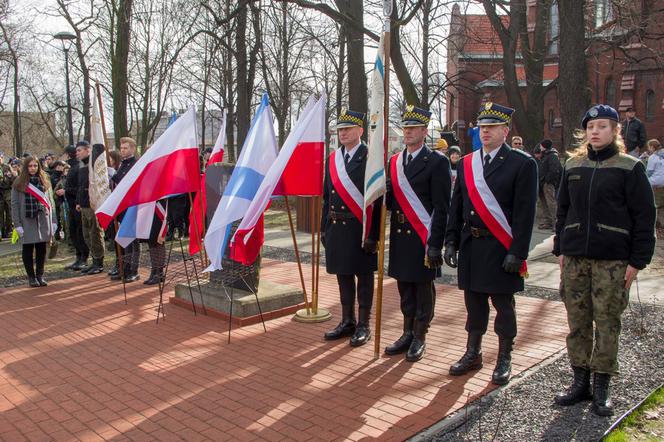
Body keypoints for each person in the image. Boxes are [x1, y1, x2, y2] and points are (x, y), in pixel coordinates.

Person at [553, 104, 656, 416]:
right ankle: (580, 381)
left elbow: (644, 216)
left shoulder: (629, 167)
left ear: (615, 131)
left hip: (612, 261)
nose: (595, 132)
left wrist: (637, 261)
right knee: (578, 321)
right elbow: (562, 211)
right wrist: (561, 248)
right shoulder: (573, 165)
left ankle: (601, 386)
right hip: (575, 258)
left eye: (601, 126)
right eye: (590, 127)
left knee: (608, 321)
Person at [444, 102, 538, 385]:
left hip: (500, 248)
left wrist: (517, 252)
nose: (485, 132)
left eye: (492, 127)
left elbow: (525, 214)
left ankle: (504, 358)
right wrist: (450, 241)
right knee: (474, 304)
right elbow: (456, 206)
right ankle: (473, 352)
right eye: (482, 127)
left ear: (505, 131)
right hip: (472, 246)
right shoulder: (467, 163)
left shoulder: (522, 164)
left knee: (503, 306)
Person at [384, 105, 451, 362]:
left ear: (425, 131)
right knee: (404, 287)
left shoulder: (437, 162)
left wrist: (436, 244)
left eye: (414, 127)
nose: (409, 131)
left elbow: (442, 208)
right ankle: (407, 332)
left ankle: (421, 335)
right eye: (406, 127)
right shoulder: (395, 162)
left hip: (423, 237)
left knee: (423, 288)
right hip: (400, 235)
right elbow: (392, 202)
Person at [321, 110, 381, 347]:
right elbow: (327, 197)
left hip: (360, 228)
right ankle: (347, 320)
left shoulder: (371, 157)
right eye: (340, 129)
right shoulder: (333, 159)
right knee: (343, 276)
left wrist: (373, 234)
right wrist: (324, 228)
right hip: (336, 226)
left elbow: (376, 201)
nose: (342, 133)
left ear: (360, 131)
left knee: (363, 277)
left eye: (347, 129)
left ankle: (364, 324)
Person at [10, 156, 56, 287]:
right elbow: (14, 205)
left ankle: (40, 275)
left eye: (35, 166)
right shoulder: (19, 182)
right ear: (26, 167)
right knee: (28, 248)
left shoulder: (44, 181)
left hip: (43, 219)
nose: (33, 168)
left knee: (42, 248)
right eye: (30, 166)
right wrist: (17, 224)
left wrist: (53, 221)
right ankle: (31, 277)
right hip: (27, 220)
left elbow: (50, 202)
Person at [110, 138, 140, 282]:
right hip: (121, 206)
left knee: (132, 240)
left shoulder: (135, 164)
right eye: (121, 148)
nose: (122, 150)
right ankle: (125, 268)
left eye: (126, 148)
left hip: (131, 206)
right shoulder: (122, 164)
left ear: (133, 148)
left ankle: (133, 270)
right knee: (123, 239)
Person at [75, 141, 106, 275]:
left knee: (95, 234)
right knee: (87, 234)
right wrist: (79, 202)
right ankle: (94, 259)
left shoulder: (94, 166)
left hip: (93, 204)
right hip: (84, 205)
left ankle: (99, 262)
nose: (77, 153)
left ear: (88, 150)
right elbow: (80, 186)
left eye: (79, 150)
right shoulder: (82, 166)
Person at [63, 143, 89, 270]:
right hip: (72, 204)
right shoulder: (74, 166)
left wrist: (67, 190)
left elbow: (80, 187)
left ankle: (83, 257)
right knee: (73, 232)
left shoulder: (78, 167)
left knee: (80, 232)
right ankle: (78, 257)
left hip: (77, 204)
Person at [538, 139, 563, 230]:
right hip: (543, 183)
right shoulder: (546, 155)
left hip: (548, 183)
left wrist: (548, 180)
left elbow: (554, 169)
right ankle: (548, 221)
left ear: (544, 146)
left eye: (541, 145)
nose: (540, 147)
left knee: (551, 202)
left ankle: (556, 223)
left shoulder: (552, 155)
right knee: (544, 202)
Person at [645, 139, 664, 232]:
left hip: (656, 181)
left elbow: (649, 172)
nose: (648, 149)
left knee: (644, 181)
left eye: (649, 147)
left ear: (652, 147)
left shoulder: (652, 157)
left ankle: (653, 219)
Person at [0, 152, 17, 239]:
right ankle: (2, 232)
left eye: (1, 157)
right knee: (0, 214)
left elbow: (13, 179)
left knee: (9, 212)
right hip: (0, 192)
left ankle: (9, 230)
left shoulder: (7, 167)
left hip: (8, 191)